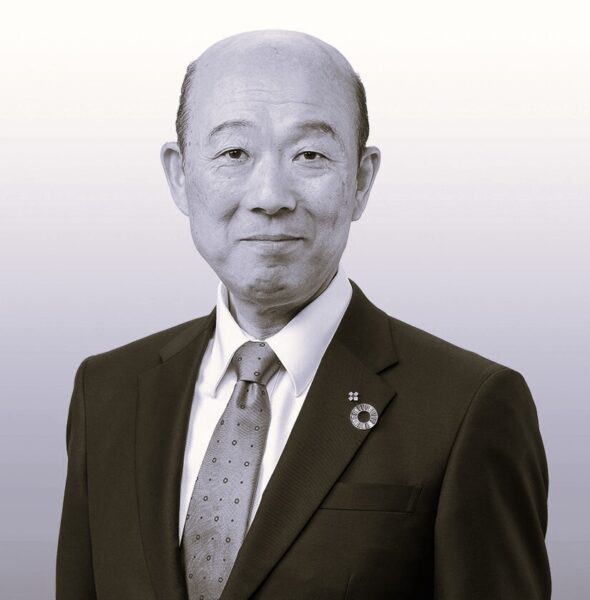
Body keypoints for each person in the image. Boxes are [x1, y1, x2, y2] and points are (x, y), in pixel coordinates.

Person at [56, 30, 551, 600]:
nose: (270, 196)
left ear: (361, 180)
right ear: (179, 175)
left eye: (309, 155)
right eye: (234, 153)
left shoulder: (467, 406)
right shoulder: (108, 392)